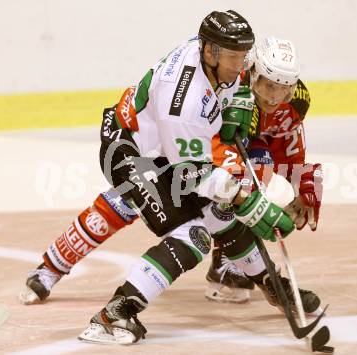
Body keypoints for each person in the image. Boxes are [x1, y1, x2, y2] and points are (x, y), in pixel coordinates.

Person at [70, 10, 302, 345]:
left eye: (243, 57)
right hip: (132, 153)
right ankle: (112, 317)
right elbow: (191, 174)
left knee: (218, 216)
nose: (241, 66)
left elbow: (232, 85)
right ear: (211, 53)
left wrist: (239, 104)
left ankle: (271, 284)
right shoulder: (184, 102)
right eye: (234, 58)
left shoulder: (215, 54)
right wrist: (246, 200)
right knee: (193, 236)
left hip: (167, 148)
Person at [204, 36, 323, 303]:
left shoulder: (297, 102)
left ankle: (232, 262)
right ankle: (226, 261)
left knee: (272, 185)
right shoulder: (232, 89)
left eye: (282, 88)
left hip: (253, 149)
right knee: (245, 182)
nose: (273, 96)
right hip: (206, 156)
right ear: (254, 75)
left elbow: (291, 149)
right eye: (268, 85)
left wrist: (303, 185)